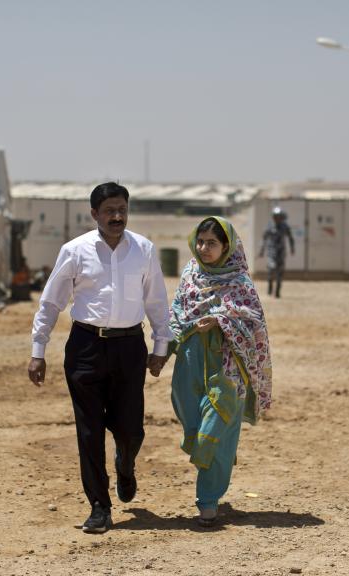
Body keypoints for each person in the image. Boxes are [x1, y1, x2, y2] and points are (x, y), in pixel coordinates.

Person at [27, 182, 172, 534]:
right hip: (86, 348)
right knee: (89, 432)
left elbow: (156, 301)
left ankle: (125, 462)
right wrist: (38, 350)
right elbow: (51, 301)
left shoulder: (144, 249)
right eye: (109, 210)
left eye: (122, 209)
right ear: (94, 214)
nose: (117, 216)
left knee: (131, 428)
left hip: (129, 348)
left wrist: (161, 347)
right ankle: (99, 506)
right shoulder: (75, 251)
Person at [167, 216, 272, 527]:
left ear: (227, 246)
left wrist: (220, 321)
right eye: (200, 242)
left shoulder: (240, 283)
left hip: (228, 367)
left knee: (215, 427)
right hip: (189, 363)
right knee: (197, 423)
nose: (204, 248)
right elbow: (176, 313)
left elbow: (254, 324)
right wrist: (163, 350)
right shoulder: (189, 275)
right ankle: (212, 484)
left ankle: (208, 502)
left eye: (211, 243)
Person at [259, 206, 294, 298]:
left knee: (280, 272)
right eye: (275, 216)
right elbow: (264, 239)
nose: (277, 218)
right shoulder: (269, 226)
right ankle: (270, 287)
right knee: (271, 269)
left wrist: (292, 248)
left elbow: (290, 238)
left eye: (279, 216)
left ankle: (277, 292)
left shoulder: (285, 226)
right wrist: (262, 250)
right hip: (271, 252)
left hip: (281, 252)